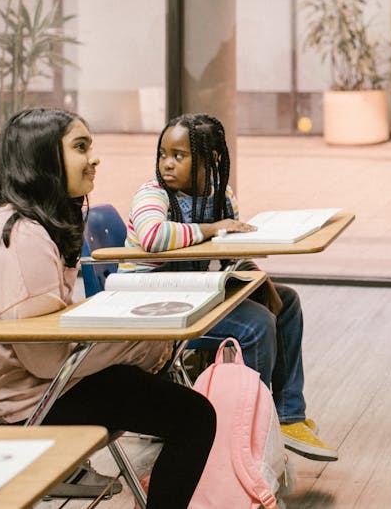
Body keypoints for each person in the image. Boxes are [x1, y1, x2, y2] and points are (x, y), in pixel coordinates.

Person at [0, 108, 215, 508]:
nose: (94, 158)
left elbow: (49, 333)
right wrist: (135, 345)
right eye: (80, 147)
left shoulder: (26, 220)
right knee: (193, 418)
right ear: (42, 157)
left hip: (24, 380)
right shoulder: (21, 234)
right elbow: (47, 361)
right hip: (22, 397)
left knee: (177, 405)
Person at [128, 112, 339, 461]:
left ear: (209, 161)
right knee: (256, 324)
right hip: (154, 302)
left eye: (178, 156)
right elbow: (153, 236)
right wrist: (212, 229)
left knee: (284, 302)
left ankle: (287, 416)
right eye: (163, 154)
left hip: (196, 293)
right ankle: (250, 427)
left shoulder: (222, 196)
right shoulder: (153, 193)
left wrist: (256, 278)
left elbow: (231, 252)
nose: (167, 164)